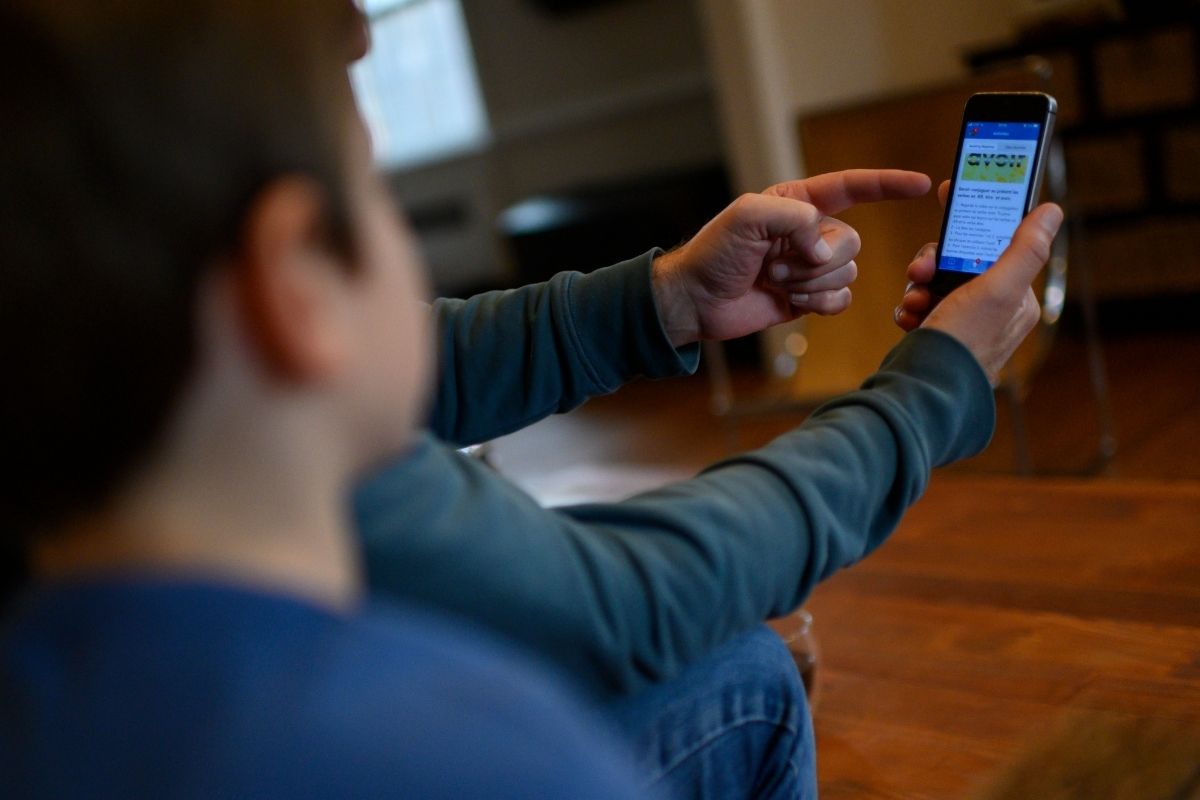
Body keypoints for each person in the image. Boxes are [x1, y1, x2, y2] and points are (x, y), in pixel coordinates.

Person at [0, 2, 1063, 799]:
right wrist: (935, 385)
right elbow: (621, 600)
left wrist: (662, 301)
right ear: (291, 287)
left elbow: (420, 364)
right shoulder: (506, 756)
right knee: (744, 668)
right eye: (378, 205)